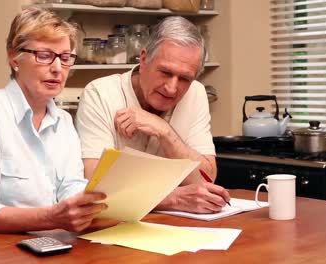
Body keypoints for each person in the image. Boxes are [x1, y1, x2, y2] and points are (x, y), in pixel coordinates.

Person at [0, 7, 107, 239]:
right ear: (14, 57)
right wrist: (52, 217)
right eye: (45, 55)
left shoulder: (64, 121)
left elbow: (70, 188)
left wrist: (90, 204)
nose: (58, 68)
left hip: (45, 246)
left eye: (65, 57)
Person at [75, 16, 230, 214]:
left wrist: (165, 131)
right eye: (165, 72)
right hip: (112, 225)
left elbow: (205, 179)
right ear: (143, 58)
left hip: (175, 228)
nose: (172, 88)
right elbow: (95, 189)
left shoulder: (196, 92)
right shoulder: (100, 93)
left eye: (184, 78)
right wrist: (173, 198)